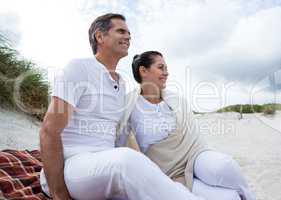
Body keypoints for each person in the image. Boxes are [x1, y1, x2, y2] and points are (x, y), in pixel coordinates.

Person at [39, 14, 203, 200]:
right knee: (127, 161)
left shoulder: (121, 83)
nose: (128, 37)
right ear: (100, 37)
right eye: (121, 31)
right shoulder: (79, 68)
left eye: (129, 33)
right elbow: (49, 131)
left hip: (105, 167)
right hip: (73, 166)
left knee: (146, 173)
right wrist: (58, 193)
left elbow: (120, 133)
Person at [119, 51, 256, 200]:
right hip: (164, 172)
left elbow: (193, 137)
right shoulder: (128, 107)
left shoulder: (176, 100)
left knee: (226, 167)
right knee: (229, 197)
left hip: (194, 156)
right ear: (143, 71)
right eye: (161, 68)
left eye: (166, 68)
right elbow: (122, 143)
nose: (166, 73)